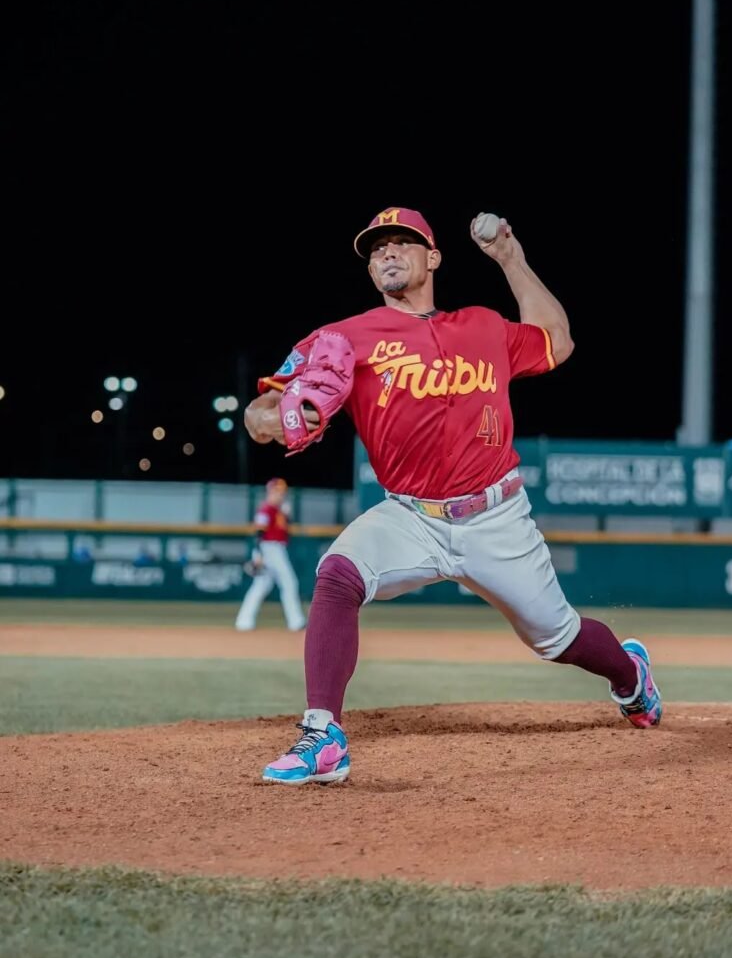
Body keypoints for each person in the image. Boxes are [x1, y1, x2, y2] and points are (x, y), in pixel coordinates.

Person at [244, 206, 662, 785]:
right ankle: (323, 737)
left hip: (496, 516)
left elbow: (557, 341)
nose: (386, 253)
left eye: (402, 242)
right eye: (376, 248)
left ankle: (631, 677)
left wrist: (510, 257)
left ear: (433, 257)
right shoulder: (343, 338)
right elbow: (260, 413)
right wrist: (288, 413)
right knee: (337, 574)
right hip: (408, 514)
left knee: (559, 638)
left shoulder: (483, 327)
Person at [234, 477, 307, 633]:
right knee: (289, 582)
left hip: (275, 548)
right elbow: (258, 533)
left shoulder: (279, 510)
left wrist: (286, 515)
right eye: (277, 492)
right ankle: (296, 622)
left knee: (261, 585)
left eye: (282, 492)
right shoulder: (266, 509)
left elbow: (285, 529)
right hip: (268, 549)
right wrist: (258, 554)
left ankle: (243, 622)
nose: (280, 495)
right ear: (270, 491)